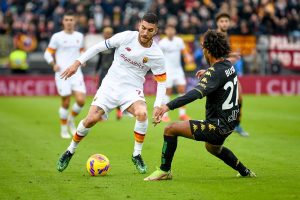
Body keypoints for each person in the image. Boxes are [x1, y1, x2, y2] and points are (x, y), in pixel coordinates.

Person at [57, 13, 166, 174]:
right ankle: (69, 151)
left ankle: (136, 154)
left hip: (131, 89)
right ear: (139, 26)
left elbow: (162, 81)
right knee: (90, 120)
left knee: (142, 113)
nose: (145, 33)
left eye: (150, 30)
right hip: (110, 86)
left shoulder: (157, 55)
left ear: (156, 31)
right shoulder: (126, 37)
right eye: (143, 28)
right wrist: (77, 62)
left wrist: (158, 105)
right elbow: (98, 47)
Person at [144, 30, 256, 181]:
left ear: (208, 51)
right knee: (213, 148)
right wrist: (209, 72)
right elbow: (218, 75)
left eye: (203, 48)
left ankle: (165, 171)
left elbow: (195, 94)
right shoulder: (227, 65)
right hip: (230, 124)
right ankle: (245, 171)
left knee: (170, 129)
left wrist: (167, 106)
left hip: (217, 126)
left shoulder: (214, 73)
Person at [44, 11, 86, 139]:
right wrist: (53, 64)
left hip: (76, 72)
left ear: (75, 22)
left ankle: (71, 120)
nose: (68, 22)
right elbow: (47, 53)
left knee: (81, 100)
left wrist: (83, 60)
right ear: (63, 22)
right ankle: (63, 129)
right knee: (66, 102)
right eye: (66, 19)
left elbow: (82, 51)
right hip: (62, 74)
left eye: (71, 20)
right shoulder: (57, 37)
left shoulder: (79, 36)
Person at [215, 12, 249, 137]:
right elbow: (215, 55)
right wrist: (231, 57)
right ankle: (221, 125)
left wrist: (232, 55)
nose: (224, 23)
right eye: (222, 21)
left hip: (228, 69)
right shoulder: (216, 36)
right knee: (220, 102)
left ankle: (236, 124)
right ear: (217, 23)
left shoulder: (226, 35)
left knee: (239, 97)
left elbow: (224, 53)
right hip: (219, 71)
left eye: (226, 21)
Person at [158, 25, 191, 122]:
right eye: (168, 29)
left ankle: (182, 115)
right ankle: (164, 115)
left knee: (182, 91)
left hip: (178, 70)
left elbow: (184, 51)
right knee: (168, 92)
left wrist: (188, 56)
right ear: (166, 31)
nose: (170, 31)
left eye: (172, 29)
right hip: (167, 70)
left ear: (174, 31)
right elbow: (159, 57)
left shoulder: (179, 41)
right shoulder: (162, 43)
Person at [95, 26, 122, 120]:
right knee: (101, 92)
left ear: (111, 34)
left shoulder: (115, 45)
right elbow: (99, 60)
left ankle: (119, 110)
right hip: (103, 71)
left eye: (108, 33)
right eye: (105, 33)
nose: (106, 35)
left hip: (113, 72)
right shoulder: (101, 45)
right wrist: (96, 71)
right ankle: (100, 115)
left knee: (116, 92)